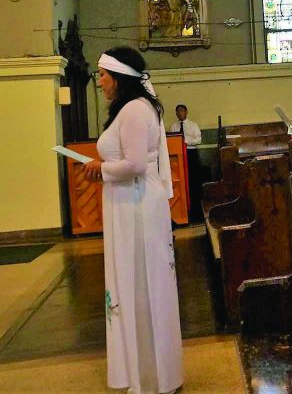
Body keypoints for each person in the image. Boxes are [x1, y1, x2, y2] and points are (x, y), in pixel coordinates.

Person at [81, 47, 183, 394]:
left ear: (120, 77)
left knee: (143, 286)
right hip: (126, 204)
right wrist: (105, 171)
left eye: (103, 75)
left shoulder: (136, 110)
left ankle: (153, 378)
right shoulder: (127, 109)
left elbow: (136, 165)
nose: (100, 81)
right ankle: (142, 371)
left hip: (138, 206)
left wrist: (100, 168)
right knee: (132, 283)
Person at [169, 103, 203, 221]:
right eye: (177, 111)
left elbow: (198, 140)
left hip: (190, 154)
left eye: (182, 111)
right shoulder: (174, 126)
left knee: (193, 181)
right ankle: (184, 211)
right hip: (178, 157)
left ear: (186, 112)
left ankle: (196, 211)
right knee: (182, 182)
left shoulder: (193, 125)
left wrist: (185, 142)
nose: (180, 113)